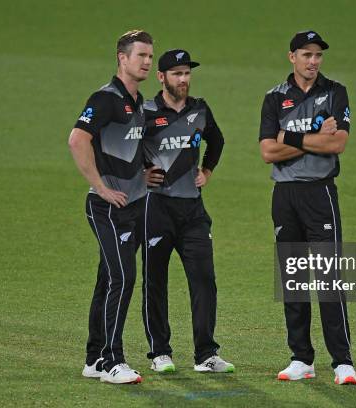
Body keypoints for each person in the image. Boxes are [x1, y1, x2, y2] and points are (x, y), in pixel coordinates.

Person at [258, 30, 356, 384]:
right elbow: (268, 151)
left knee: (330, 278)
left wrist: (291, 138)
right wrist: (315, 138)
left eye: (318, 55)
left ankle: (342, 361)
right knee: (294, 279)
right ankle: (301, 357)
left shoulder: (335, 92)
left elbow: (340, 143)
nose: (313, 61)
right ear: (292, 57)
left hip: (320, 194)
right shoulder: (274, 98)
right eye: (306, 54)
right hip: (285, 196)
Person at [68, 29, 153, 384]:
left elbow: (128, 149)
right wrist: (101, 188)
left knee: (107, 279)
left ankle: (93, 358)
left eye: (150, 56)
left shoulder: (136, 100)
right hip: (106, 207)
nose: (147, 62)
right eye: (141, 56)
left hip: (131, 204)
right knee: (122, 277)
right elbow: (77, 140)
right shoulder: (104, 99)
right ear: (122, 58)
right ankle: (111, 361)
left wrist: (147, 173)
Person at [140, 49, 233, 373]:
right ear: (161, 77)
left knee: (204, 279)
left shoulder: (199, 109)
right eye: (177, 74)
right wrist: (140, 175)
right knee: (155, 280)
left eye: (187, 73)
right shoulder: (146, 111)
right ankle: (160, 352)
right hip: (156, 208)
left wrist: (206, 170)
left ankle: (206, 354)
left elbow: (217, 141)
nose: (184, 79)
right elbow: (120, 148)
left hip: (193, 210)